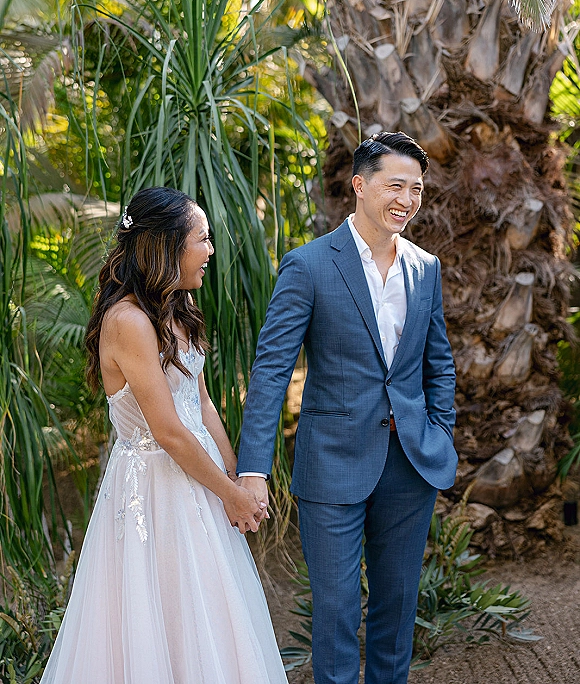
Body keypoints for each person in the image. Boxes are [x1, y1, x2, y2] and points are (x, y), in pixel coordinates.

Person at [40, 186, 288, 684]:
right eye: (202, 238)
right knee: (159, 614)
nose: (210, 250)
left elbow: (201, 403)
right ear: (167, 246)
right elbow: (170, 433)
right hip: (154, 490)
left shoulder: (178, 307)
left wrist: (236, 476)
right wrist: (232, 495)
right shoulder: (128, 321)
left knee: (209, 614)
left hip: (200, 481)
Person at [237, 132, 458, 684]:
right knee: (334, 612)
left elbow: (439, 363)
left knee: (397, 608)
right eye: (395, 185)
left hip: (410, 463)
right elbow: (270, 371)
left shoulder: (425, 267)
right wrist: (253, 469)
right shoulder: (308, 265)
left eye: (416, 188)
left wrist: (440, 432)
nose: (406, 199)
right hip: (331, 462)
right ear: (359, 185)